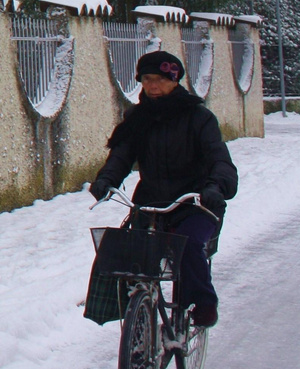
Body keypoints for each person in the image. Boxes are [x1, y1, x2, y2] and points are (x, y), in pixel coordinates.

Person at [90, 50, 237, 327]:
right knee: (124, 250)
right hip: (152, 204)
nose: (153, 86)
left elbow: (219, 159)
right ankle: (134, 314)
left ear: (175, 80)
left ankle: (204, 302)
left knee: (189, 245)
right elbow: (121, 156)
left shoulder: (199, 118)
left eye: (160, 79)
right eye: (146, 79)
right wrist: (106, 179)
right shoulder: (138, 118)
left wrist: (216, 186)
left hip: (196, 204)